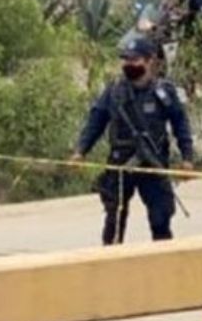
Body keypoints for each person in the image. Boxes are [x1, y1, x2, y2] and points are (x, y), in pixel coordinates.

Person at [72, 34, 194, 245]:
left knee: (160, 219)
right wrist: (80, 151)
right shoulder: (114, 91)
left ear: (150, 61)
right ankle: (111, 259)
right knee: (114, 219)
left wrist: (187, 158)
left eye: (135, 59)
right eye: (126, 59)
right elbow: (96, 122)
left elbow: (180, 124)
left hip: (152, 164)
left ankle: (163, 259)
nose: (129, 64)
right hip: (120, 163)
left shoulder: (163, 92)